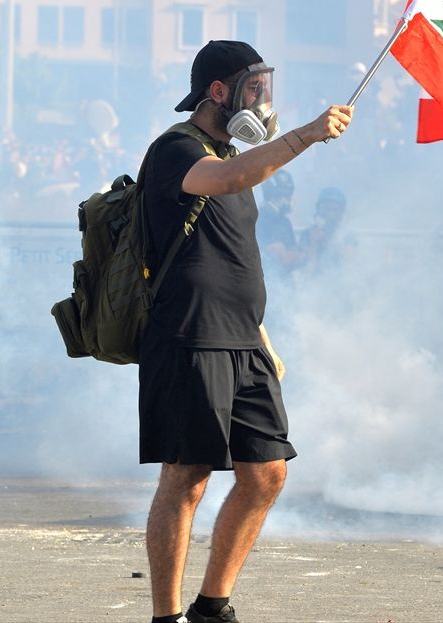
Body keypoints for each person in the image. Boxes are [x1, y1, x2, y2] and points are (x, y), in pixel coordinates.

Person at [138, 40, 353, 623]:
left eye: (266, 87)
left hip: (244, 338)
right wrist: (305, 135)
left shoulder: (233, 155)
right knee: (188, 476)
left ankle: (213, 605)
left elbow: (233, 253)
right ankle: (166, 616)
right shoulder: (177, 149)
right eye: (254, 88)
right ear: (218, 92)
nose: (264, 100)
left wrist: (262, 335)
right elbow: (227, 179)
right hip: (189, 335)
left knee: (266, 473)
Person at [256, 169, 308, 279]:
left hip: (285, 285)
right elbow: (282, 258)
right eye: (284, 195)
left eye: (288, 195)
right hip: (267, 282)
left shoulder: (285, 222)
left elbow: (293, 253)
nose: (288, 200)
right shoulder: (258, 220)